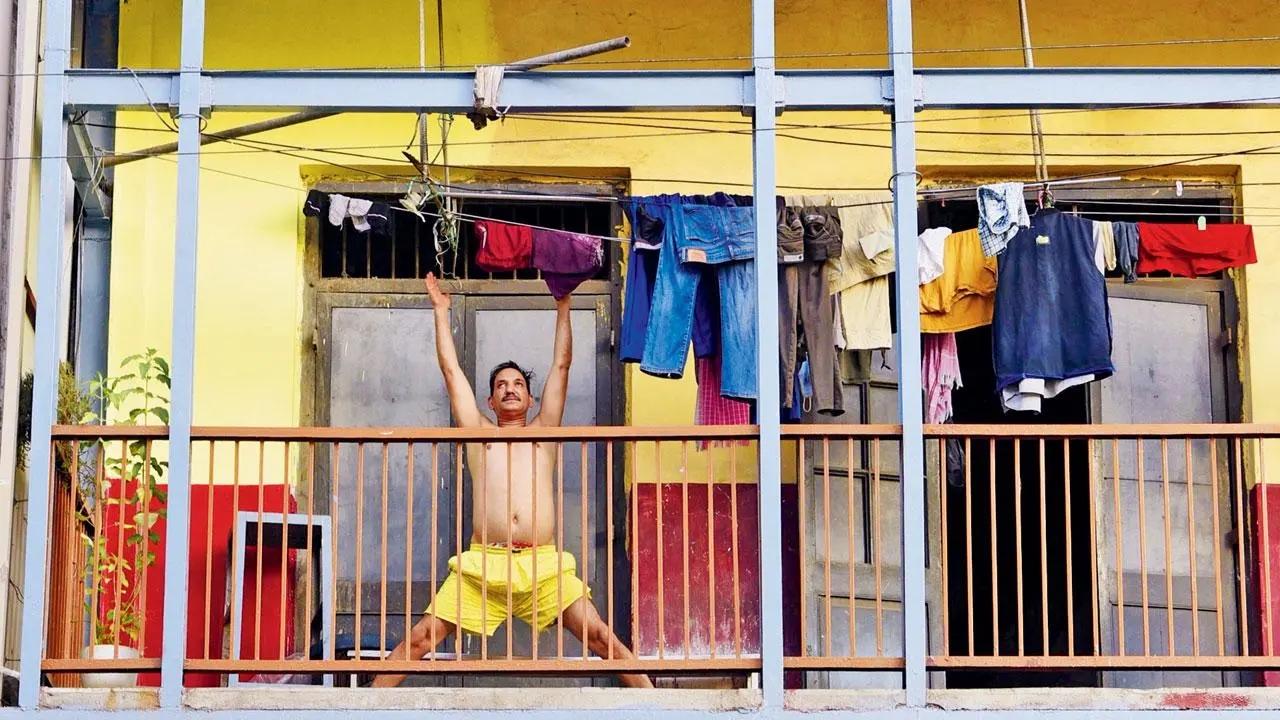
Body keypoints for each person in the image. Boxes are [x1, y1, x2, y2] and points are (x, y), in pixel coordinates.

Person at [372, 273, 652, 688]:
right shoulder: (478, 436)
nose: (509, 390)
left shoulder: (544, 435)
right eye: (501, 385)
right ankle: (357, 708)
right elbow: (451, 373)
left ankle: (662, 708)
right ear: (490, 400)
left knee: (599, 635)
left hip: (543, 566)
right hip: (482, 565)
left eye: (518, 384)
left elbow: (561, 365)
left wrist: (562, 306)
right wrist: (440, 312)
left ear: (530, 398)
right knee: (420, 639)